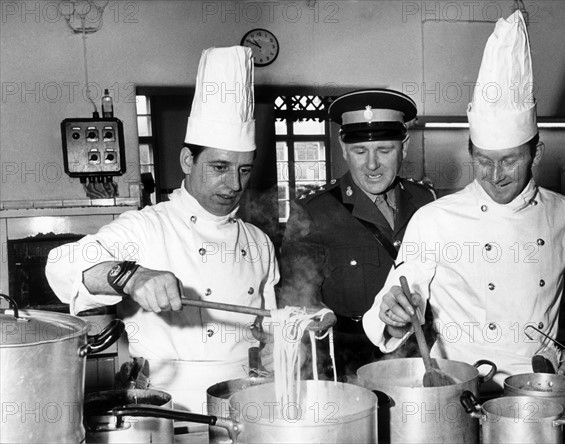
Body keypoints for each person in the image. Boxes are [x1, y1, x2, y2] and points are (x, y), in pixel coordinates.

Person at [363, 11, 565, 392]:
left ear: (536, 154)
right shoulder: (435, 219)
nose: (495, 175)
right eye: (483, 161)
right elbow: (397, 300)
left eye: (509, 160)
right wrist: (394, 315)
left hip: (540, 388)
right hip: (460, 390)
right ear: (470, 152)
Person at [46, 46, 279, 412]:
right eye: (219, 167)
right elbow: (60, 264)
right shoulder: (147, 227)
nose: (234, 184)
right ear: (188, 160)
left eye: (244, 170)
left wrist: (286, 341)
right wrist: (131, 277)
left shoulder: (259, 242)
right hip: (167, 408)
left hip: (246, 404)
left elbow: (270, 331)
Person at [280, 89, 435, 381]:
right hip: (349, 367)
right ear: (342, 148)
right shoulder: (313, 212)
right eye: (360, 151)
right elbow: (297, 301)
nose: (372, 164)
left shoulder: (426, 200)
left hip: (420, 359)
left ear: (405, 145)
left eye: (384, 150)